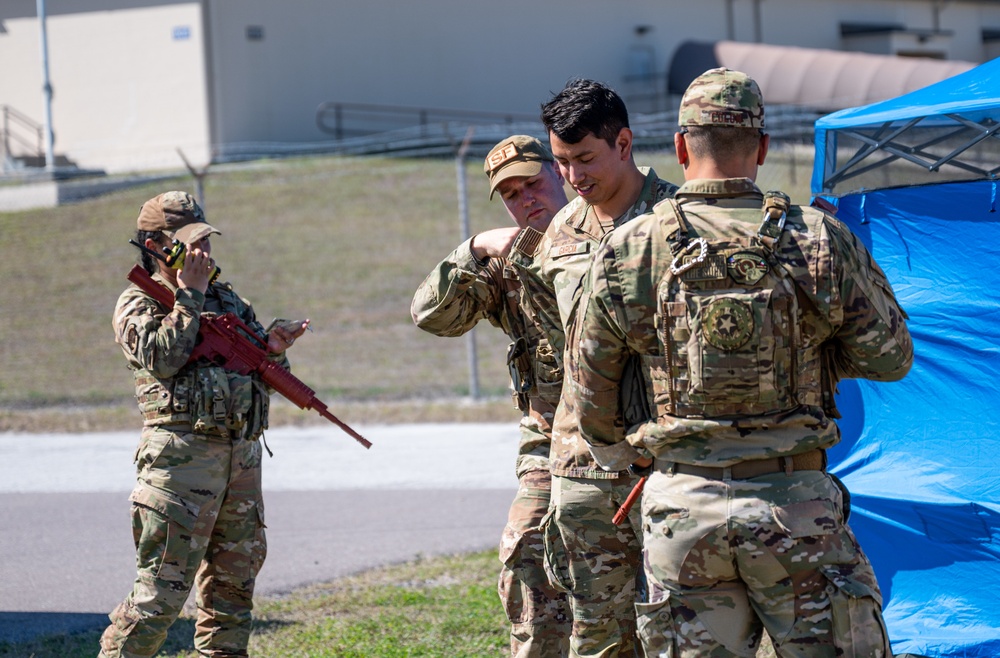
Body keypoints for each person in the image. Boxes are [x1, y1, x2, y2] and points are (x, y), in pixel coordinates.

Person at [567, 68, 914, 656]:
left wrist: (645, 454)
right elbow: (890, 358)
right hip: (796, 509)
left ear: (680, 148)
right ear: (761, 147)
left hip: (682, 515)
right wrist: (809, 350)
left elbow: (590, 403)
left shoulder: (629, 248)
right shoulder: (817, 239)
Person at [506, 79, 678, 657]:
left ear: (623, 142)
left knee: (673, 628)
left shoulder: (676, 221)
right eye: (561, 163)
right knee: (597, 635)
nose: (574, 179)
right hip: (580, 467)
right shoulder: (561, 231)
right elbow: (551, 337)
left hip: (659, 460)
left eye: (585, 159)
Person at [100, 191, 309, 658]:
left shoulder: (228, 298)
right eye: (190, 244)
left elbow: (260, 376)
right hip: (180, 464)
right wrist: (189, 294)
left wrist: (273, 349)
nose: (203, 253)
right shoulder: (137, 300)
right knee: (160, 597)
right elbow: (162, 357)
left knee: (232, 597)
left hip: (240, 461)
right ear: (155, 244)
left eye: (206, 242)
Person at [411, 135, 572, 657]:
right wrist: (477, 246)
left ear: (561, 174)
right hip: (548, 442)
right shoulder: (509, 262)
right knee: (527, 559)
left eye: (533, 183)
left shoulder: (616, 239)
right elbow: (431, 316)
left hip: (628, 439)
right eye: (512, 194)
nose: (527, 199)